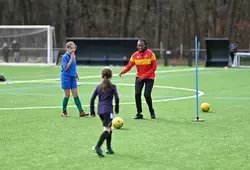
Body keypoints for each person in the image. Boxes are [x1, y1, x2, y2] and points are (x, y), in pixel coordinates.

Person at [119, 39, 157, 119]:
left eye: (141, 45)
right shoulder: (135, 55)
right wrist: (123, 71)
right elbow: (129, 66)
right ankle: (139, 113)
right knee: (137, 94)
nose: (139, 47)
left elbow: (154, 68)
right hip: (139, 77)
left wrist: (143, 76)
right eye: (138, 45)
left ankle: (151, 111)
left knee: (147, 95)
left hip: (149, 77)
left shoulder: (151, 54)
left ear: (145, 46)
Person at [90, 67, 119, 157]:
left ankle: (108, 148)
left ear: (102, 76)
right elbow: (117, 98)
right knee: (107, 130)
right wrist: (117, 109)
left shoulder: (98, 87)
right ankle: (98, 146)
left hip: (100, 111)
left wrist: (92, 111)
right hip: (108, 111)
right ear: (111, 76)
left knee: (109, 128)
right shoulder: (113, 87)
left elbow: (92, 99)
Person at [60, 41, 89, 117]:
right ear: (68, 48)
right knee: (67, 95)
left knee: (75, 94)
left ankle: (81, 112)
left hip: (72, 77)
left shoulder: (73, 56)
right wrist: (71, 59)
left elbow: (73, 66)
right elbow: (66, 68)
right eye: (72, 48)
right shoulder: (65, 57)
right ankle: (64, 111)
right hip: (66, 77)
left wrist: (76, 74)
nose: (73, 50)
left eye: (74, 48)